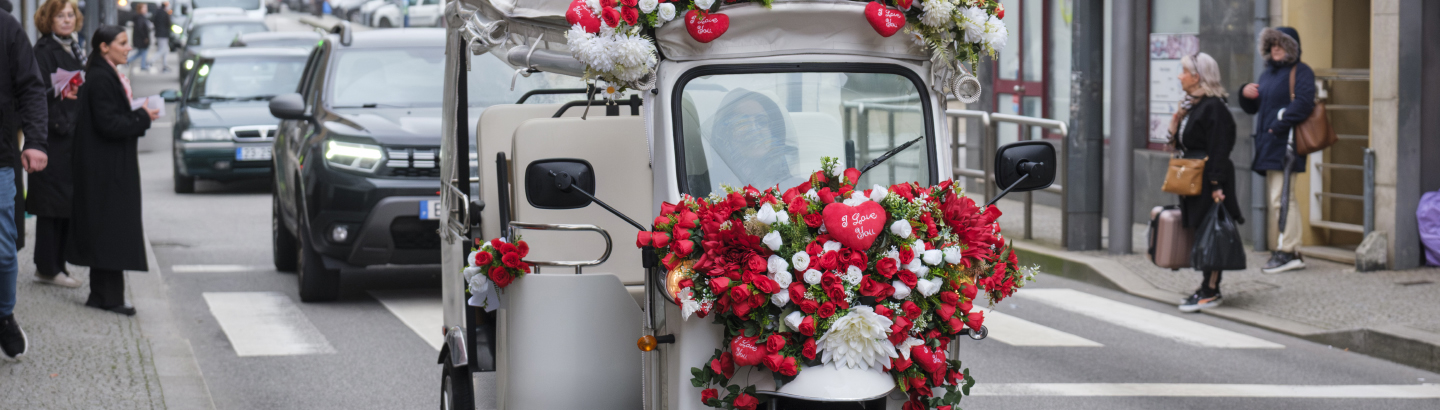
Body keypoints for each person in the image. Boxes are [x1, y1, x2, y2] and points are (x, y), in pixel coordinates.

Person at [68, 25, 158, 316]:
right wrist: (142, 116)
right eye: (122, 43)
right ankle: (107, 297)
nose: (128, 48)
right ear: (104, 47)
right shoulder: (101, 78)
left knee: (107, 229)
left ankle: (104, 295)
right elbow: (109, 124)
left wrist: (137, 115)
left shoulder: (102, 74)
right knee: (110, 229)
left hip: (105, 165)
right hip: (105, 167)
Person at [1171, 53, 1243, 312]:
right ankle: (1206, 286)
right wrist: (1176, 120)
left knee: (1212, 232)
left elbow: (1220, 148)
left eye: (1184, 72)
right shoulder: (1193, 105)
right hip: (1192, 177)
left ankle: (1211, 290)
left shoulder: (1214, 107)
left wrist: (1216, 185)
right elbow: (1180, 142)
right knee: (1202, 231)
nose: (1179, 76)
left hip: (1208, 178)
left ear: (1197, 77)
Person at [0, 5, 53, 358]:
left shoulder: (6, 27)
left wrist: (35, 141)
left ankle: (4, 315)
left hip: (0, 158)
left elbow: (32, 88)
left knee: (3, 251)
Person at [1239, 27, 1312, 274]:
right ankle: (1289, 249)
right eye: (1272, 45)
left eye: (1281, 44)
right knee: (1279, 198)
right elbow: (1254, 108)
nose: (1276, 48)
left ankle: (1288, 251)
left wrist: (1278, 126)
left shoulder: (1301, 71)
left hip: (1287, 144)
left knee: (1282, 198)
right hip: (1269, 144)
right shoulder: (1268, 74)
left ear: (1292, 48)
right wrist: (1245, 94)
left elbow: (1304, 103)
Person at [29, 0, 87, 289]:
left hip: (70, 134)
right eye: (60, 16)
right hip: (52, 135)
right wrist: (60, 89)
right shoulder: (42, 51)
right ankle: (47, 267)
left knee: (65, 203)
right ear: (48, 20)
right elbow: (33, 92)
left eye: (70, 15)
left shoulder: (74, 46)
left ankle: (58, 264)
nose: (67, 20)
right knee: (51, 205)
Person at [126, 2, 152, 72]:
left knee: (141, 52)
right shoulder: (140, 18)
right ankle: (143, 65)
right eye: (144, 8)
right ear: (140, 9)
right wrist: (145, 37)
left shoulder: (141, 17)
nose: (146, 9)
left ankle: (128, 61)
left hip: (140, 39)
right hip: (141, 39)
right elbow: (141, 29)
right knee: (143, 51)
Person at [151, 2, 172, 72]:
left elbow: (154, 21)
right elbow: (168, 23)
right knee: (164, 49)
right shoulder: (165, 13)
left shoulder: (157, 12)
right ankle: (151, 61)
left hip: (159, 33)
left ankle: (164, 65)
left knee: (164, 50)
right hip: (163, 34)